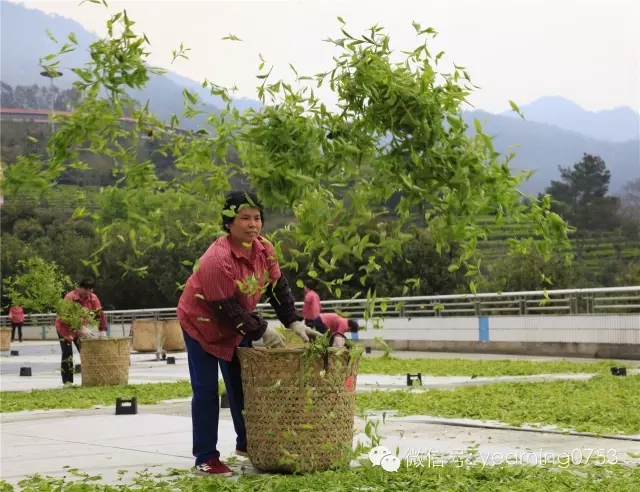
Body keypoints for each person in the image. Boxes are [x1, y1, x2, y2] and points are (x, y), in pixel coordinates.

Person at [177, 190, 322, 477]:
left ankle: (248, 444)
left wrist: (292, 320)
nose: (252, 224)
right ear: (229, 223)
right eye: (244, 218)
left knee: (244, 387)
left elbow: (277, 288)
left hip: (237, 324)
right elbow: (223, 308)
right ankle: (205, 458)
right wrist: (263, 330)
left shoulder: (265, 249)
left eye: (257, 218)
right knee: (206, 391)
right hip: (202, 323)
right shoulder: (217, 259)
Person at [54, 278, 108, 385]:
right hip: (65, 329)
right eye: (85, 289)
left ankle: (91, 380)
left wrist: (102, 330)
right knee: (67, 354)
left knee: (86, 353)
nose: (87, 292)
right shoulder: (70, 297)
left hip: (80, 330)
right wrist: (79, 327)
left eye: (90, 290)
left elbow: (99, 314)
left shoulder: (93, 298)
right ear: (79, 288)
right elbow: (65, 316)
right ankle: (68, 382)